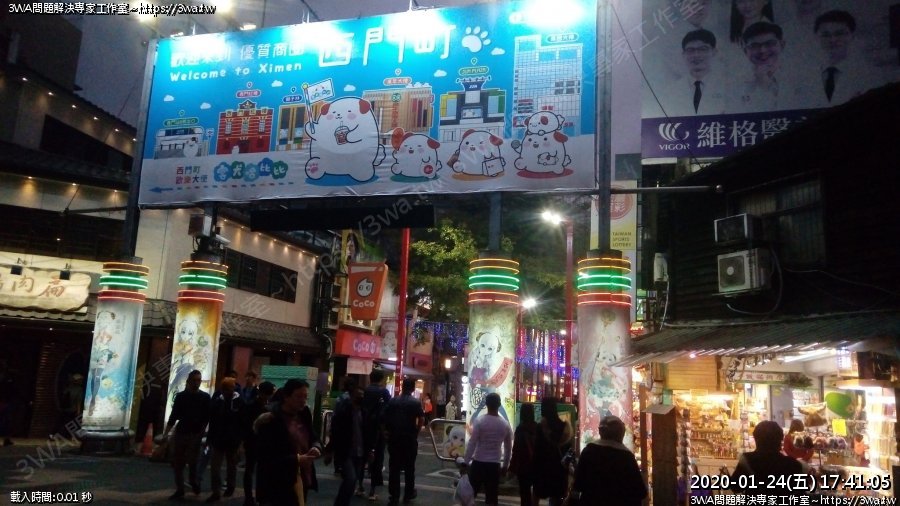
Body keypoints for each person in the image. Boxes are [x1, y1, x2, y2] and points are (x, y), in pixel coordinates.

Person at [255, 379, 323, 506]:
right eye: (298, 396)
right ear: (286, 397)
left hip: (301, 477)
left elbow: (313, 436)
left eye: (305, 397)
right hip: (278, 481)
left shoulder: (304, 413)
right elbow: (266, 456)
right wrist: (297, 460)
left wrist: (316, 447)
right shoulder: (271, 418)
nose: (303, 400)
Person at [568, 415, 646, 506]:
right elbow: (640, 491)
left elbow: (578, 484)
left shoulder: (588, 452)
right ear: (621, 433)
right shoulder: (626, 457)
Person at [732, 22, 803, 112]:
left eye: (769, 44)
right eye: (754, 46)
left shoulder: (798, 77)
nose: (762, 50)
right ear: (745, 50)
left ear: (782, 45)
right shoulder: (735, 83)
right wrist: (761, 82)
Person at [163, 370, 211, 500]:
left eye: (198, 380)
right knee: (179, 462)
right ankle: (181, 488)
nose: (196, 383)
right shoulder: (182, 397)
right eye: (194, 380)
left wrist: (202, 432)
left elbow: (207, 417)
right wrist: (166, 433)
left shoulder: (205, 397)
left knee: (192, 461)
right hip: (183, 432)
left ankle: (192, 481)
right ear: (189, 381)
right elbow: (174, 416)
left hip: (195, 433)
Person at [811, 10, 876, 106]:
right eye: (826, 35)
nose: (833, 40)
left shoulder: (868, 75)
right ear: (816, 38)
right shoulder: (804, 74)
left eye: (839, 34)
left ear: (852, 36)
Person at [659, 29, 728, 117]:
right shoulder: (671, 91)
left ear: (714, 52)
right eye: (690, 50)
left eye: (703, 49)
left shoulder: (728, 86)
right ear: (683, 54)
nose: (696, 55)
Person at [462, 393, 512, 506]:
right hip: (494, 465)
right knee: (492, 497)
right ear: (499, 404)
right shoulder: (505, 425)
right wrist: (505, 466)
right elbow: (508, 448)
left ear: (486, 404)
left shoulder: (479, 421)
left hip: (478, 462)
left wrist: (465, 462)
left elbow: (472, 443)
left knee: (470, 494)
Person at [730, 420, 804, 495]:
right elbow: (800, 494)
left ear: (757, 440)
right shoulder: (793, 465)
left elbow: (736, 487)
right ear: (780, 440)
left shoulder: (747, 460)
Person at [382, 378, 425, 506]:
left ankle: (394, 495)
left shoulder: (393, 401)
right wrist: (416, 431)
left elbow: (383, 417)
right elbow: (421, 419)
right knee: (409, 467)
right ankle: (408, 493)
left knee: (394, 467)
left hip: (394, 438)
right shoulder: (415, 402)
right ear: (412, 388)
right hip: (409, 438)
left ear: (402, 387)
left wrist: (386, 432)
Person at [327, 380, 369, 506]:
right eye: (358, 395)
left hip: (360, 450)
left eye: (362, 395)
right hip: (345, 450)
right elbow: (336, 431)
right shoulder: (344, 411)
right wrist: (330, 450)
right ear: (352, 396)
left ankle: (343, 502)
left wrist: (370, 449)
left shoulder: (364, 412)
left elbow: (368, 432)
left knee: (352, 480)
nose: (360, 397)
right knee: (350, 478)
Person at [205, 377, 244, 502]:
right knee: (222, 466)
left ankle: (223, 489)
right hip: (223, 438)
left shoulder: (236, 402)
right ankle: (220, 490)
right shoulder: (222, 403)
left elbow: (241, 423)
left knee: (226, 465)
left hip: (228, 438)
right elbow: (213, 421)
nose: (230, 391)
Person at [532, 398, 573, 506]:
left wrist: (533, 468)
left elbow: (537, 451)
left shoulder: (541, 427)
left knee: (537, 494)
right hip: (559, 469)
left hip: (543, 469)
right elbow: (568, 451)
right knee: (556, 497)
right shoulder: (566, 428)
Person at [240, 381, 274, 506]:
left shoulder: (251, 405)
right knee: (259, 470)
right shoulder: (267, 408)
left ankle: (250, 498)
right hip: (258, 442)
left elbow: (245, 425)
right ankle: (257, 497)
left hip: (253, 442)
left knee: (251, 469)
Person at [362, 369, 392, 501]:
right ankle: (372, 491)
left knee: (363, 456)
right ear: (381, 379)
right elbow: (388, 409)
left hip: (364, 428)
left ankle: (359, 486)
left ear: (370, 378)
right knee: (377, 458)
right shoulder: (384, 392)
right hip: (378, 429)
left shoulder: (365, 391)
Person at [509, 402, 538, 506]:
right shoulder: (537, 428)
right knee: (536, 493)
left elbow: (516, 450)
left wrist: (512, 467)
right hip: (536, 465)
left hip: (524, 466)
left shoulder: (520, 429)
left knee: (525, 493)